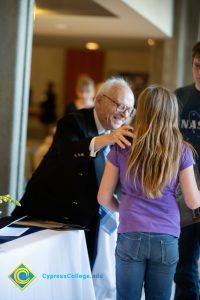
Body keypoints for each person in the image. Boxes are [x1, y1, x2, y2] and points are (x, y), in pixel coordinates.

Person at [12, 77, 135, 299]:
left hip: (86, 215)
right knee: (31, 275)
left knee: (80, 280)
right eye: (120, 106)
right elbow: (69, 150)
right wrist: (107, 139)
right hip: (48, 209)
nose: (125, 114)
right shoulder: (73, 122)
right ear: (98, 100)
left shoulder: (120, 136)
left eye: (129, 109)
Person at [98, 85, 200, 300]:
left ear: (141, 111)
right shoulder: (181, 150)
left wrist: (123, 208)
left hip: (130, 233)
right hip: (167, 237)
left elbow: (103, 197)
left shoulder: (122, 146)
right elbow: (192, 202)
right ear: (172, 113)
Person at [174, 41, 200, 300]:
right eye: (197, 66)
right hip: (184, 192)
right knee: (184, 264)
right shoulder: (179, 96)